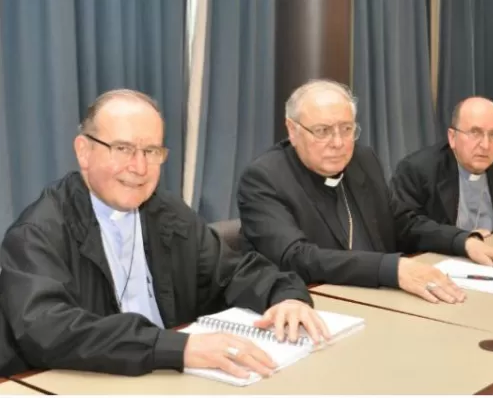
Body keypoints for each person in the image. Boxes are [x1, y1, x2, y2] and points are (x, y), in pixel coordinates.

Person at [0, 89, 329, 379]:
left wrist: (286, 296)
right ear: (84, 151)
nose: (139, 168)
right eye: (123, 149)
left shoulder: (166, 212)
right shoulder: (37, 233)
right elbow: (49, 331)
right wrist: (178, 348)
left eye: (151, 151)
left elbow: (234, 271)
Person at [237, 79, 493, 306]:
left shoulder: (362, 160)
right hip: (317, 305)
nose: (338, 143)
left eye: (346, 129)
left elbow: (402, 222)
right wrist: (393, 269)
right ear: (292, 130)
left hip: (383, 298)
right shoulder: (265, 179)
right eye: (323, 131)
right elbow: (297, 258)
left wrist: (463, 242)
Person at [391, 97, 493, 237]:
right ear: (452, 137)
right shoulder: (418, 170)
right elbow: (407, 226)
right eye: (475, 133)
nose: (485, 145)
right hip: (444, 258)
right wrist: (462, 240)